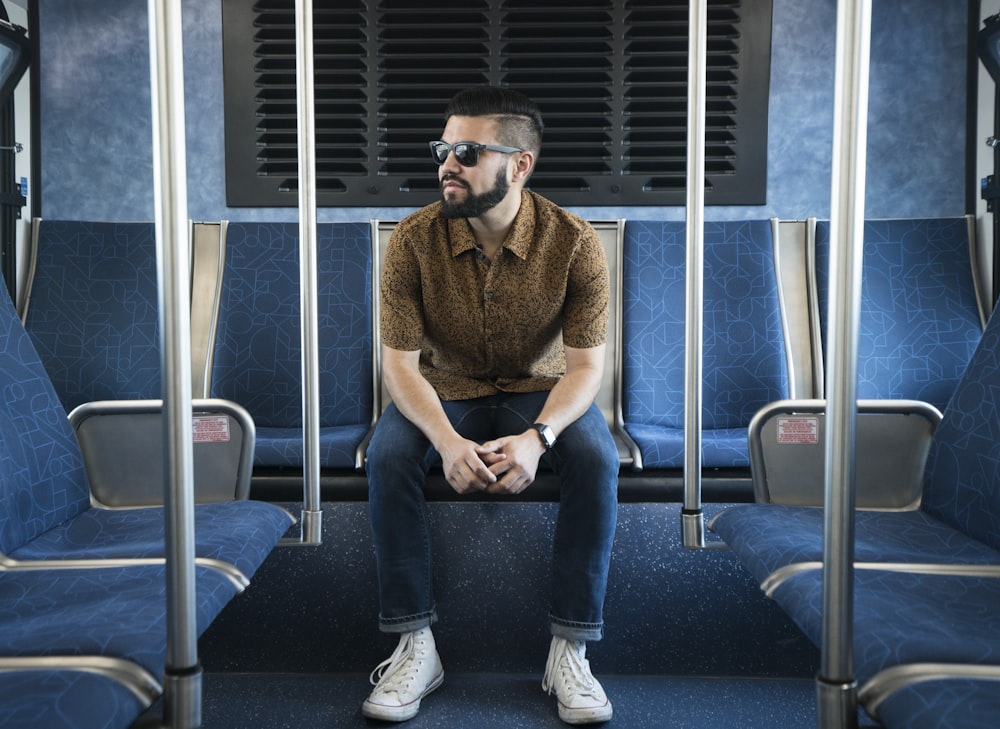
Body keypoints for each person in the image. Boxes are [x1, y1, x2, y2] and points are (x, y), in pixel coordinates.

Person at [362, 85, 619, 725]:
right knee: (389, 455)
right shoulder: (413, 240)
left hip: (541, 388)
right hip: (443, 388)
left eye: (468, 151)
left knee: (595, 458)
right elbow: (398, 363)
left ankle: (571, 648)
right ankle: (413, 642)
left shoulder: (576, 242)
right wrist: (447, 442)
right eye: (444, 148)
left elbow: (588, 367)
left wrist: (538, 438)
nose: (447, 163)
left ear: (519, 165)